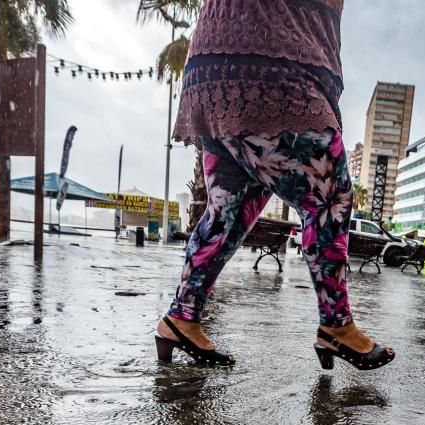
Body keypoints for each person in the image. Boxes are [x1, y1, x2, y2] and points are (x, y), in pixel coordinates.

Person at [155, 0, 394, 371]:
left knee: (230, 209)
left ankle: (181, 317)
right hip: (273, 66)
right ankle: (336, 324)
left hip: (212, 70)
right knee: (329, 196)